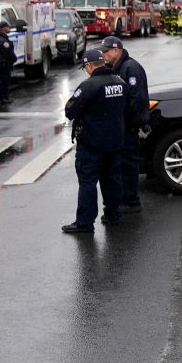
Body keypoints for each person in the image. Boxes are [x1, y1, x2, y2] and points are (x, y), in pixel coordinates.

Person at [62, 49, 126, 234]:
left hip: (92, 144)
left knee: (88, 182)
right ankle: (113, 215)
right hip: (115, 141)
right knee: (112, 180)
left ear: (90, 66)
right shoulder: (119, 82)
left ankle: (85, 222)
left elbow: (70, 111)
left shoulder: (89, 85)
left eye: (86, 67)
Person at [99, 36, 149, 213]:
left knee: (128, 165)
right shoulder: (116, 67)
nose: (103, 55)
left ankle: (131, 201)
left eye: (105, 51)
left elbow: (137, 100)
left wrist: (123, 120)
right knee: (121, 165)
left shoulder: (130, 68)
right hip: (121, 127)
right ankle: (125, 199)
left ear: (116, 50)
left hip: (128, 127)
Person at [0, 20, 17, 103]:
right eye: (7, 27)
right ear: (3, 28)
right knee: (4, 81)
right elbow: (8, 53)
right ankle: (4, 98)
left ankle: (0, 97)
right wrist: (13, 60)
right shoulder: (3, 41)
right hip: (3, 63)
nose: (9, 28)